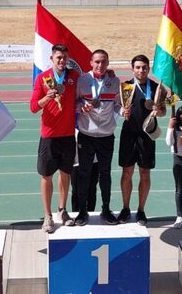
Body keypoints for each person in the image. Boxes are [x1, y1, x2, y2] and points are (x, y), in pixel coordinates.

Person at [30, 44, 79, 233]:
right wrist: (46, 98)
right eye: (58, 57)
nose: (62, 61)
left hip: (67, 135)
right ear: (52, 58)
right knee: (47, 175)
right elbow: (34, 107)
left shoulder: (74, 77)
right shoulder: (43, 78)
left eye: (65, 57)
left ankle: (62, 210)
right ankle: (48, 216)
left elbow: (82, 95)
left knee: (65, 174)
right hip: (49, 136)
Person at [118, 54, 165, 226]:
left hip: (147, 136)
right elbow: (118, 108)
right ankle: (125, 208)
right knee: (126, 172)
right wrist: (122, 112)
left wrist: (158, 111)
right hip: (129, 135)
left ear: (148, 69)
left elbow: (164, 111)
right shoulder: (125, 87)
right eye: (137, 67)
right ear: (132, 69)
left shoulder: (157, 87)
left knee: (145, 174)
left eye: (144, 67)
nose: (141, 70)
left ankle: (141, 210)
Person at [75, 49, 121, 226]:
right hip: (86, 135)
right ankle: (82, 211)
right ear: (91, 63)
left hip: (106, 135)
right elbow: (75, 102)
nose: (100, 65)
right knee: (84, 174)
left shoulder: (114, 81)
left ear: (108, 63)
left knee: (105, 173)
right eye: (97, 62)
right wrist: (82, 106)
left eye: (103, 62)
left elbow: (117, 105)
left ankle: (106, 209)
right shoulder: (83, 80)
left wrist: (122, 112)